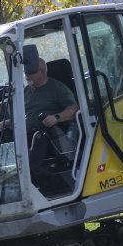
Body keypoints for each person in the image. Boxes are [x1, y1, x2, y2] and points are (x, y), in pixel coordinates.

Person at [22, 48, 79, 194]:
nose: (26, 76)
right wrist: (7, 122)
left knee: (38, 139)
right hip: (24, 132)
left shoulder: (57, 88)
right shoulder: (26, 91)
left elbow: (73, 109)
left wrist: (56, 118)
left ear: (41, 72)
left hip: (46, 134)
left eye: (30, 73)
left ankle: (47, 186)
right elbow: (24, 114)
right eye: (26, 72)